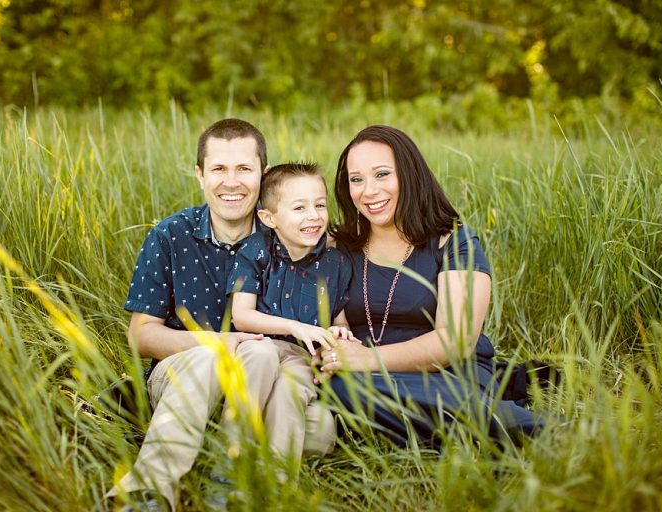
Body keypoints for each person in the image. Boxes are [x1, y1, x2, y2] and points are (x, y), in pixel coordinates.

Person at [107, 119, 336, 511]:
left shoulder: (294, 233)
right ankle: (148, 490)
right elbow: (141, 335)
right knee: (209, 361)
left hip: (263, 387)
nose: (232, 182)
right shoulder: (170, 235)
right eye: (219, 169)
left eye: (244, 169)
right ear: (200, 175)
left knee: (320, 428)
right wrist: (216, 343)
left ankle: (229, 480)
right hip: (187, 373)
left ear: (263, 175)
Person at [317, 125, 543, 447]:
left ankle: (528, 427)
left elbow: (456, 341)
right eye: (357, 179)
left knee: (358, 390)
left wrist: (368, 359)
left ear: (409, 175)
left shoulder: (452, 241)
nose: (368, 191)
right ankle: (456, 430)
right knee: (339, 388)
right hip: (365, 381)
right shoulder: (336, 246)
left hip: (447, 375)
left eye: (382, 174)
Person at [226, 162, 356, 471]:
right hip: (257, 346)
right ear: (269, 218)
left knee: (290, 391)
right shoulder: (256, 251)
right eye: (299, 208)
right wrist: (296, 327)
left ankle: (278, 481)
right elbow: (242, 316)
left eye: (320, 205)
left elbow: (338, 321)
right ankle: (229, 469)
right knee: (253, 375)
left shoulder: (336, 263)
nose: (313, 215)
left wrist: (340, 337)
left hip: (300, 358)